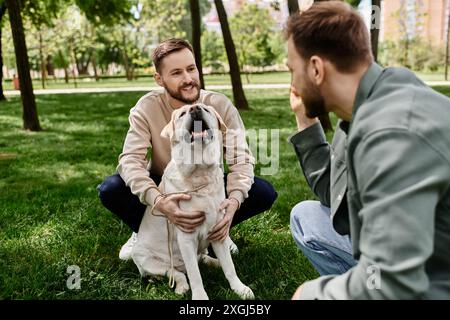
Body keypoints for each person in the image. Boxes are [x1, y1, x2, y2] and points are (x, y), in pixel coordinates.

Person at [286, 1, 450, 299]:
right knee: (306, 217)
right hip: (421, 258)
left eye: (292, 70)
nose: (293, 83)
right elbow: (334, 198)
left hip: (432, 279)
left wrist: (311, 294)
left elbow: (394, 281)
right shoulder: (367, 105)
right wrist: (304, 119)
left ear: (315, 69)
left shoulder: (392, 134)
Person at [97, 39, 277, 260]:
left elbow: (241, 159)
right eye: (176, 73)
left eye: (191, 69)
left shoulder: (219, 105)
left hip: (209, 183)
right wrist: (159, 201)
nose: (188, 79)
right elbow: (130, 161)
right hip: (166, 183)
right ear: (159, 79)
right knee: (111, 188)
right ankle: (143, 231)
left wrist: (233, 202)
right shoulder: (146, 108)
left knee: (263, 192)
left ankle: (215, 232)